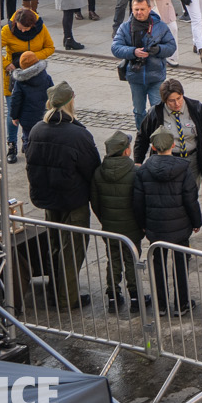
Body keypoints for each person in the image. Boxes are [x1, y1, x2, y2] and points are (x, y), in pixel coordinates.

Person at [23, 81, 99, 310]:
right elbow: (92, 169)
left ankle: (55, 291)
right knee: (72, 250)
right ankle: (68, 299)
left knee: (55, 245)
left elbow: (31, 164)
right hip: (72, 201)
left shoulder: (37, 129)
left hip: (48, 199)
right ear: (70, 103)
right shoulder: (78, 134)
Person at [133, 127, 202, 316]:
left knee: (158, 263)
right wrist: (197, 221)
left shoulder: (143, 170)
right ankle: (182, 304)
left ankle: (161, 305)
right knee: (180, 263)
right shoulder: (184, 168)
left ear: (153, 147)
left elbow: (138, 202)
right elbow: (191, 199)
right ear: (173, 145)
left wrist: (143, 224)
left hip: (155, 226)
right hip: (180, 226)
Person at [90, 129, 143, 314]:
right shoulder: (135, 172)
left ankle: (113, 296)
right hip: (131, 227)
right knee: (132, 260)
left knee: (113, 260)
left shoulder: (98, 172)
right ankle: (135, 298)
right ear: (126, 151)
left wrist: (105, 219)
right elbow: (139, 202)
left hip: (110, 227)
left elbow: (95, 203)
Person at [112, 0, 178, 129]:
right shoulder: (125, 27)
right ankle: (142, 136)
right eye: (136, 9)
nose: (139, 12)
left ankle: (158, 137)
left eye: (142, 9)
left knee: (157, 109)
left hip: (156, 76)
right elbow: (116, 48)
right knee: (138, 111)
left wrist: (158, 49)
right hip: (135, 77)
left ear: (149, 8)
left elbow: (171, 47)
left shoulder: (160, 27)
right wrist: (133, 52)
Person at [0, 6, 55, 163]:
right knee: (13, 113)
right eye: (19, 28)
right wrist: (6, 64)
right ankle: (12, 145)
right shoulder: (7, 30)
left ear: (32, 26)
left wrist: (30, 58)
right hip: (13, 79)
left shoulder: (41, 28)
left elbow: (50, 47)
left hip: (36, 78)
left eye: (25, 29)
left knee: (34, 112)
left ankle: (29, 141)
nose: (22, 31)